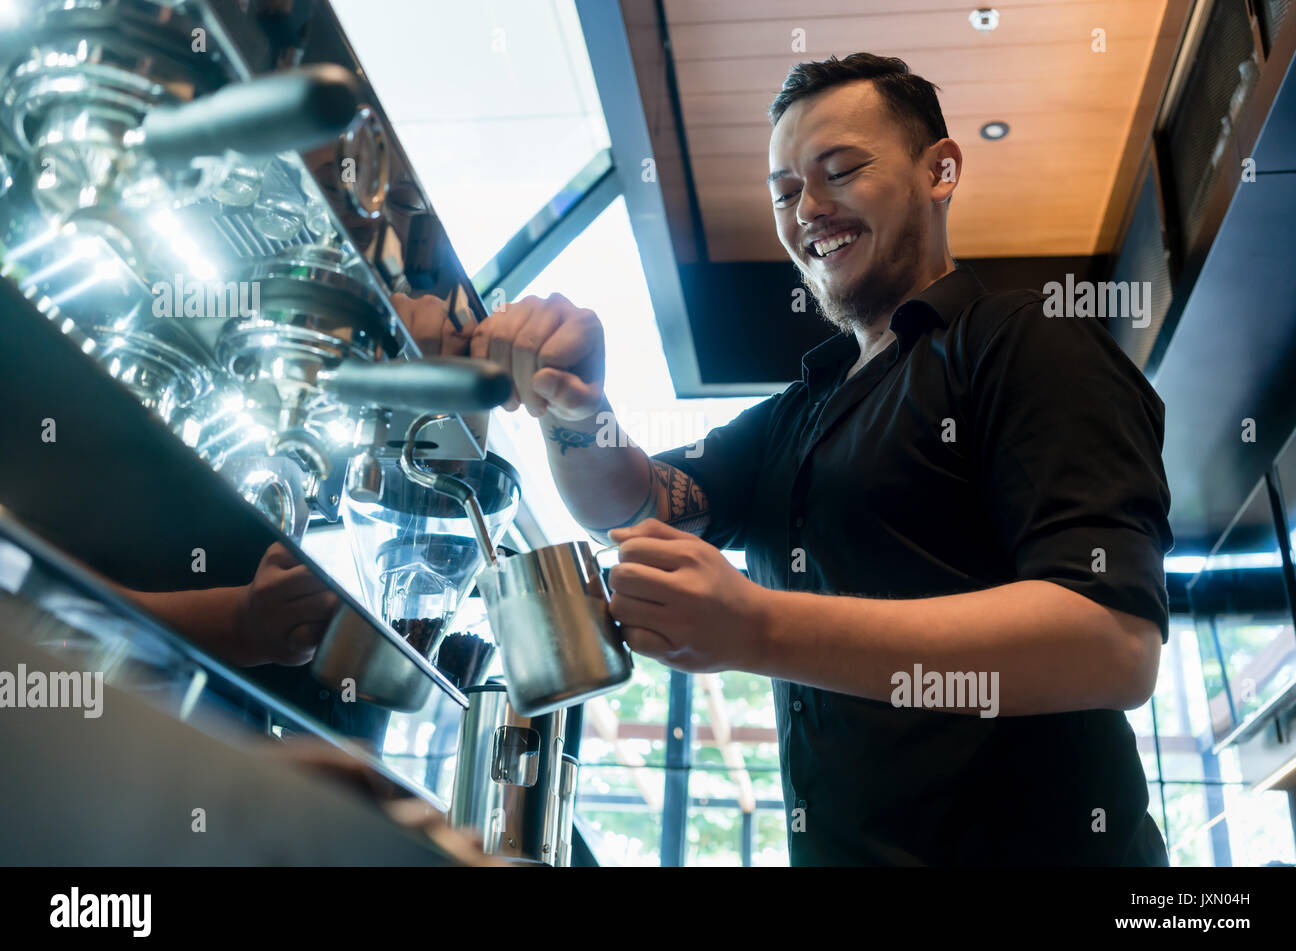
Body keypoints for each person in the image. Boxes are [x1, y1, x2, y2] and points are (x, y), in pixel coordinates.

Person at [392, 52, 1174, 866]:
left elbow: (1110, 643)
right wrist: (573, 406)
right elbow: (637, 503)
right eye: (786, 192)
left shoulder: (1028, 341)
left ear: (940, 170)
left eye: (839, 170)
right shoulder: (801, 411)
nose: (810, 209)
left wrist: (759, 627)